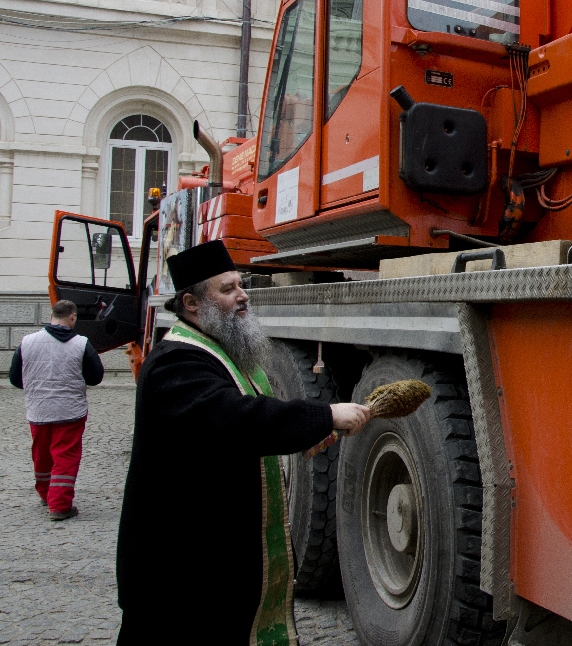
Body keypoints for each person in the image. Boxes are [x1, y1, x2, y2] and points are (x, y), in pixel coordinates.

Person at [115, 240, 371, 645]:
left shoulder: (215, 351)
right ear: (191, 303)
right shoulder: (174, 362)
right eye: (228, 288)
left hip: (207, 556)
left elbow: (240, 426)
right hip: (177, 568)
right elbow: (235, 419)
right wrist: (326, 415)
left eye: (241, 284)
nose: (243, 295)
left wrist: (308, 433)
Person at [9, 299, 105, 521]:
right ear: (72, 317)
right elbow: (95, 377)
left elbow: (15, 379)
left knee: (41, 455)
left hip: (38, 410)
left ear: (51, 316)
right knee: (66, 456)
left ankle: (46, 494)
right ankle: (59, 505)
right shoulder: (81, 344)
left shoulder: (27, 342)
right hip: (70, 411)